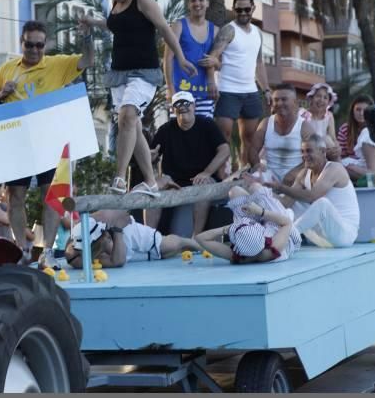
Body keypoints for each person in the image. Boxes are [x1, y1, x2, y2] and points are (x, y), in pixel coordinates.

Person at [79, 0, 197, 197]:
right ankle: (152, 182)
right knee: (133, 125)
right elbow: (115, 25)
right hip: (120, 73)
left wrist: (181, 59)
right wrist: (92, 22)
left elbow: (164, 28)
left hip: (143, 73)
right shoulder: (116, 3)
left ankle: (120, 177)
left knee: (127, 115)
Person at [0, 20, 94, 269]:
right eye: (29, 45)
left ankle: (48, 252)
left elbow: (88, 61)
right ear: (21, 43)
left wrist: (87, 37)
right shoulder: (7, 70)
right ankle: (21, 249)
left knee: (51, 197)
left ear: (45, 46)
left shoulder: (56, 64)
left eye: (39, 45)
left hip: (49, 140)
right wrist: (2, 90)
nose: (34, 50)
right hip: (17, 143)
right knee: (15, 196)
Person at [199, 0, 272, 167]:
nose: (243, 13)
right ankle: (220, 175)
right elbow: (212, 57)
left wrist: (267, 89)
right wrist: (212, 81)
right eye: (239, 10)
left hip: (250, 92)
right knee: (222, 137)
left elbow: (259, 63)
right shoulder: (229, 30)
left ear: (253, 8)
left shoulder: (257, 33)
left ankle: (243, 173)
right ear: (234, 9)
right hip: (228, 90)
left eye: (247, 9)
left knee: (249, 137)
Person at [146, 91, 230, 236]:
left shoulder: (207, 125)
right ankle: (148, 237)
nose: (182, 107)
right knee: (151, 188)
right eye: (178, 104)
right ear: (173, 109)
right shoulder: (165, 129)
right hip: (173, 181)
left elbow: (225, 149)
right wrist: (150, 157)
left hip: (202, 178)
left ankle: (196, 238)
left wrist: (207, 172)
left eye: (186, 103)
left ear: (194, 106)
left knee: (202, 185)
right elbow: (152, 155)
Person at [267, 134, 360, 248]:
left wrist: (281, 187)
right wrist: (263, 190)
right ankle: (268, 234)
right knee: (290, 203)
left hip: (344, 236)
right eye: (302, 151)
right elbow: (286, 202)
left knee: (322, 204)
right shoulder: (304, 174)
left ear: (322, 151)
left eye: (309, 151)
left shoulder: (335, 168)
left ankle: (286, 235)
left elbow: (313, 196)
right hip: (322, 240)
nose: (305, 155)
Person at [195, 183, 301, 263]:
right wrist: (260, 211)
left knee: (235, 191)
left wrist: (229, 228)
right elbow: (286, 223)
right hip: (284, 231)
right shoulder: (275, 248)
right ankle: (283, 211)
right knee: (255, 188)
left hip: (258, 234)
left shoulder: (239, 254)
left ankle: (251, 204)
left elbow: (200, 238)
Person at [63, 209, 200, 268]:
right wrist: (115, 233)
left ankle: (197, 244)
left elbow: (125, 215)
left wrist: (117, 229)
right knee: (163, 255)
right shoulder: (75, 258)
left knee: (166, 247)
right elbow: (118, 261)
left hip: (127, 231)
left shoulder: (101, 216)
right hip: (118, 236)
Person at [166, 0, 219, 118]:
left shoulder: (215, 30)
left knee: (203, 134)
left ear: (207, 3)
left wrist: (216, 61)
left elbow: (220, 65)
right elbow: (168, 59)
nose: (197, 4)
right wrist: (170, 88)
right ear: (188, 4)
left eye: (201, 0)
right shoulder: (178, 26)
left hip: (205, 93)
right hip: (180, 92)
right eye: (193, 1)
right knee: (179, 133)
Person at [250, 84, 315, 184]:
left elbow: (315, 157)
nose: (279, 103)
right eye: (276, 100)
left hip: (296, 178)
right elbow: (253, 150)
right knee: (252, 180)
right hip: (270, 176)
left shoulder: (304, 127)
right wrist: (256, 165)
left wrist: (296, 172)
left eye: (284, 99)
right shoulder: (266, 123)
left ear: (295, 102)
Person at [336, 95, 373, 159]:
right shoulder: (345, 129)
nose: (361, 113)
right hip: (350, 165)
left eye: (365, 110)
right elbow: (341, 155)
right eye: (358, 109)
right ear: (352, 111)